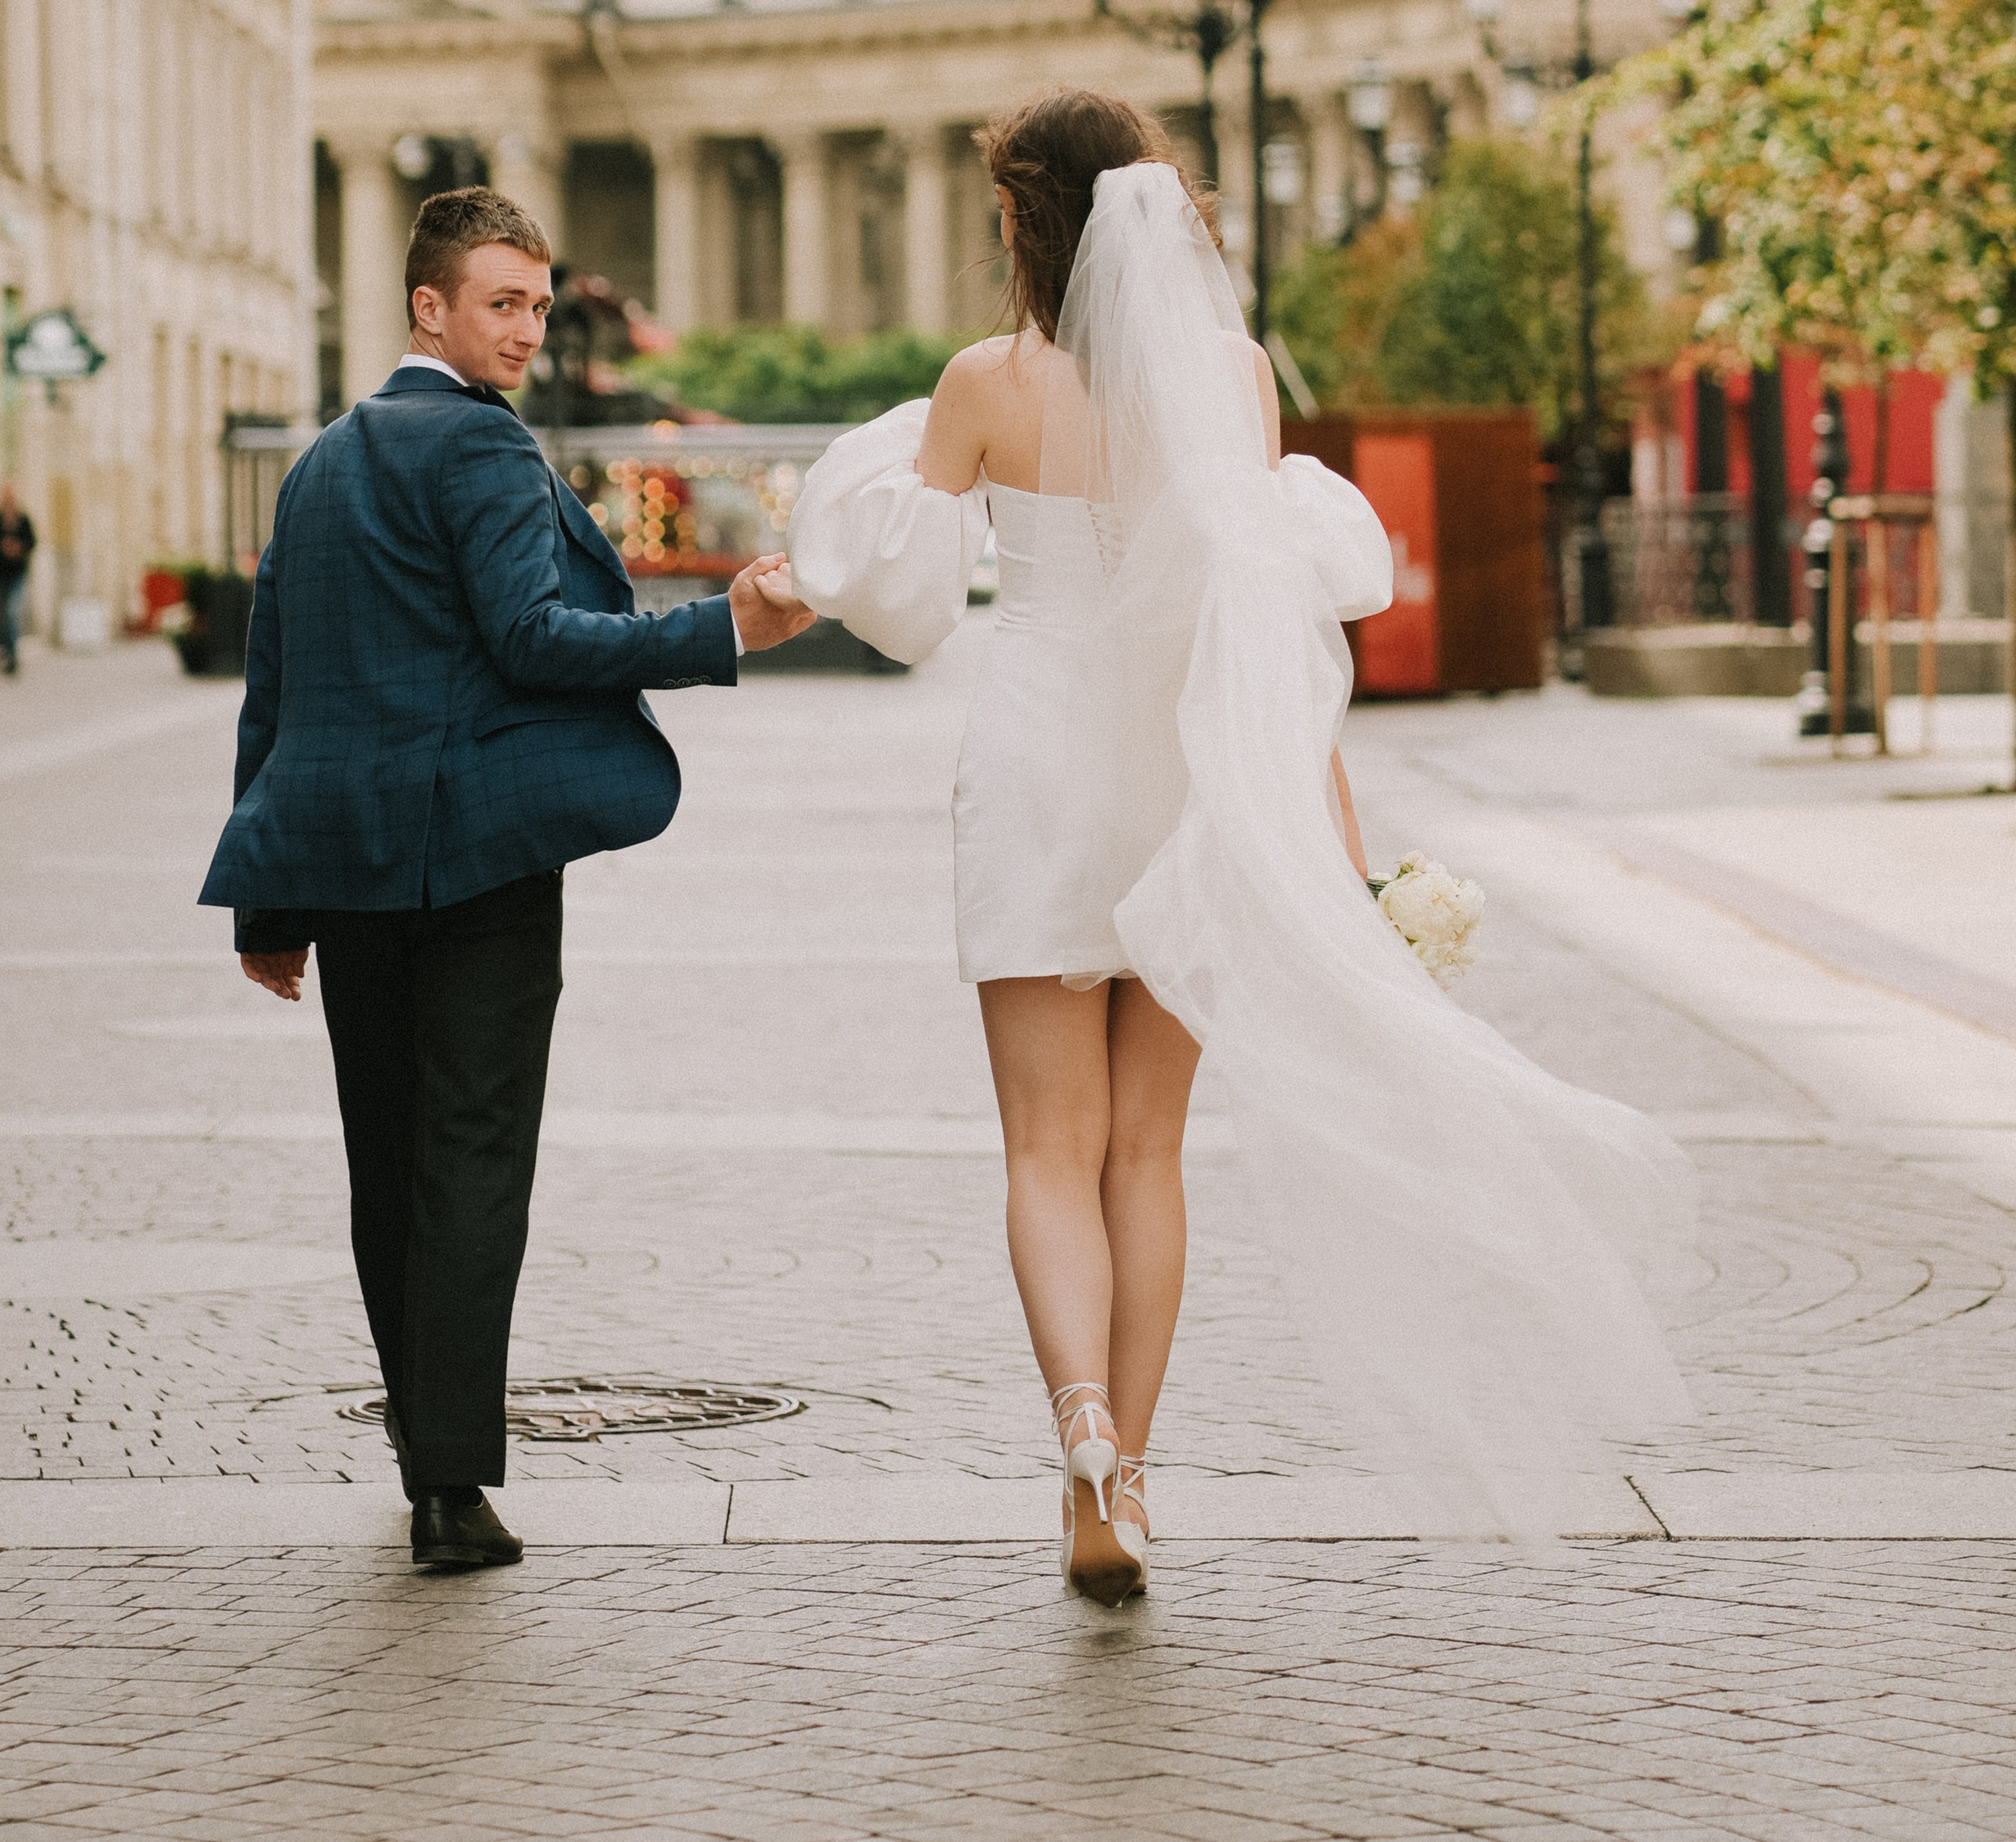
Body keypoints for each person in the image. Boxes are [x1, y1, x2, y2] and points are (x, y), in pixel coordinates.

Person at [789, 88, 1694, 1604]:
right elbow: (1268, 621)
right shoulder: (1229, 375)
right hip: (1186, 766)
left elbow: (902, 597)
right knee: (1148, 1151)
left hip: (1035, 763)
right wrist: (1329, 831)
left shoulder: (983, 385)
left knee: (1047, 1148)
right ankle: (1130, 1478)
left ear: (1029, 224)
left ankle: (1077, 1421)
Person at [197, 186, 813, 1573]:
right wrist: (725, 628)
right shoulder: (479, 442)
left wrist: (269, 900)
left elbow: (274, 683)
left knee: (387, 1163)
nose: (528, 329)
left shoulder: (321, 460)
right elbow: (534, 637)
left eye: (537, 303)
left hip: (348, 868)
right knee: (471, 1158)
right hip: (476, 859)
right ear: (430, 306)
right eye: (502, 303)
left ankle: (425, 1457)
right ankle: (451, 1487)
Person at [0, 487, 36, 674]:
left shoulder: (23, 520)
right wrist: (1, 548)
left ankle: (12, 655)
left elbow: (32, 542)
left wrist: (18, 548)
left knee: (12, 613)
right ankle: (5, 649)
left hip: (16, 575)